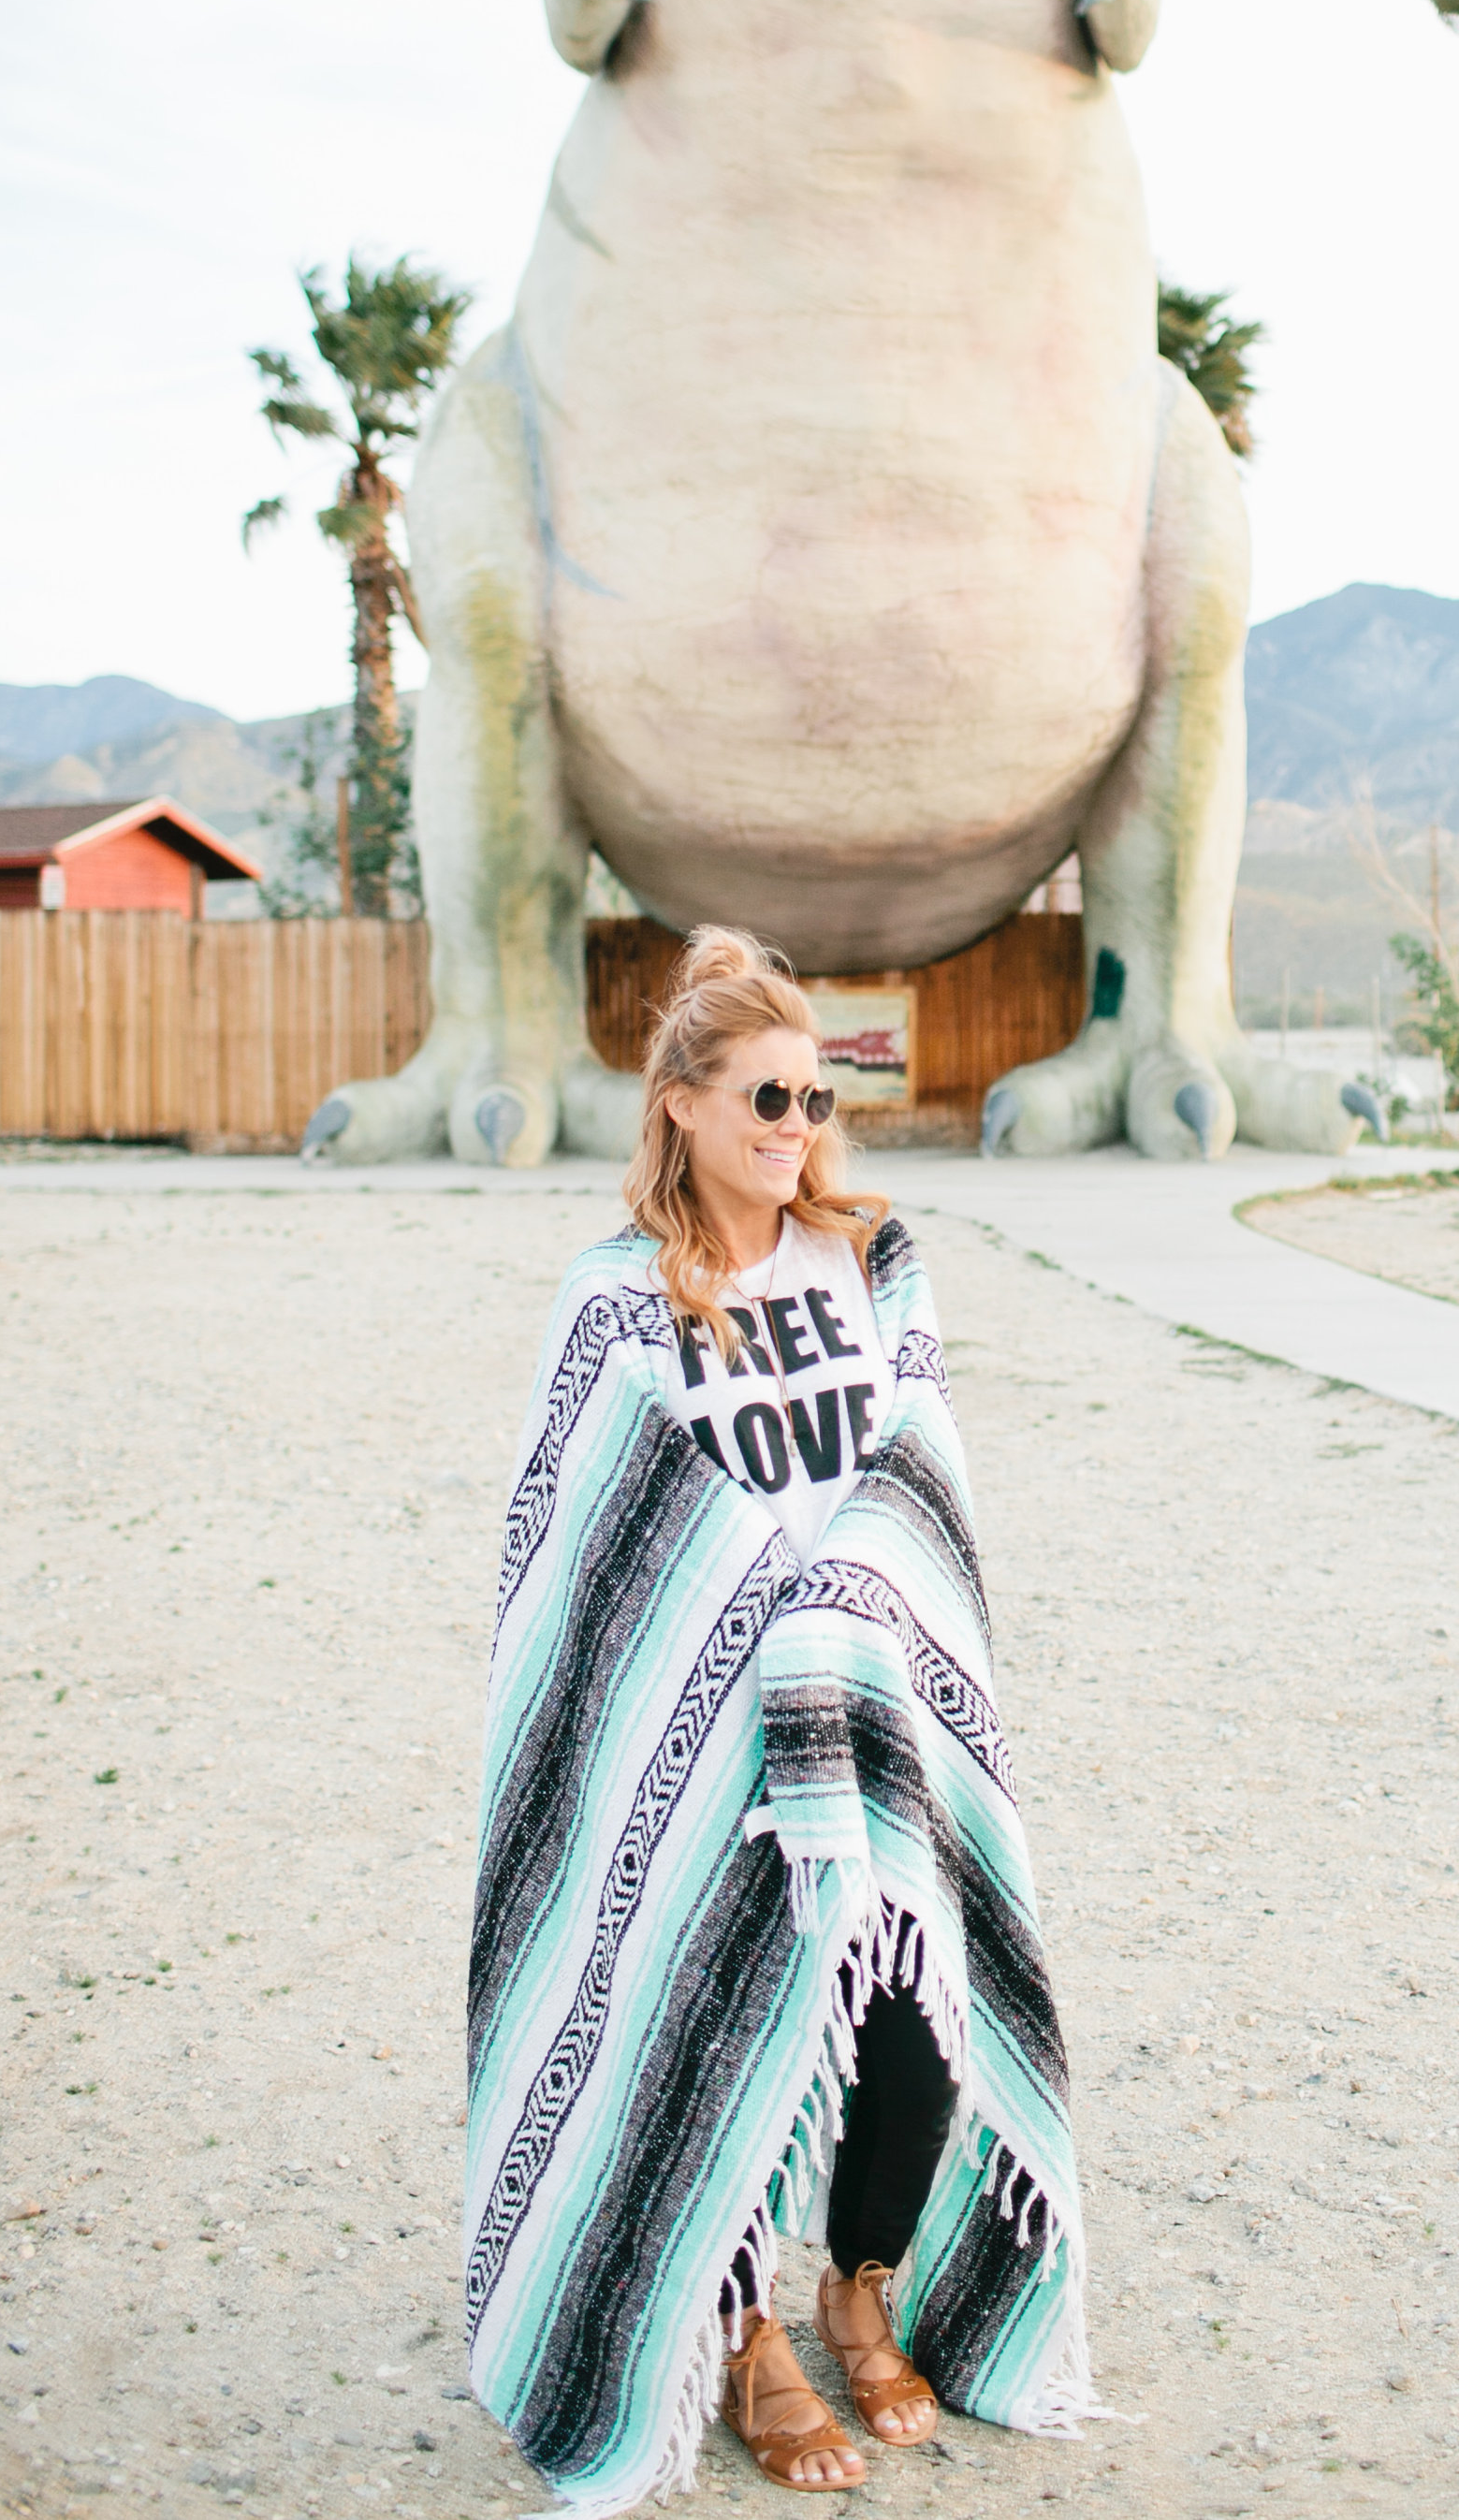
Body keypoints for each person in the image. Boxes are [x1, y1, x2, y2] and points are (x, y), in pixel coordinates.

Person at [463, 929, 1091, 2507]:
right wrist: (769, 1617)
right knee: (720, 2006)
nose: (795, 1126)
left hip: (877, 1698)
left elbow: (917, 1461)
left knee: (911, 2021)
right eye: (764, 1097)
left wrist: (846, 1605)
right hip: (699, 1736)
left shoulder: (872, 1261)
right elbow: (597, 1539)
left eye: (815, 1098)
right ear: (679, 1102)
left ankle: (857, 2289)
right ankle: (743, 2335)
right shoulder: (614, 1304)